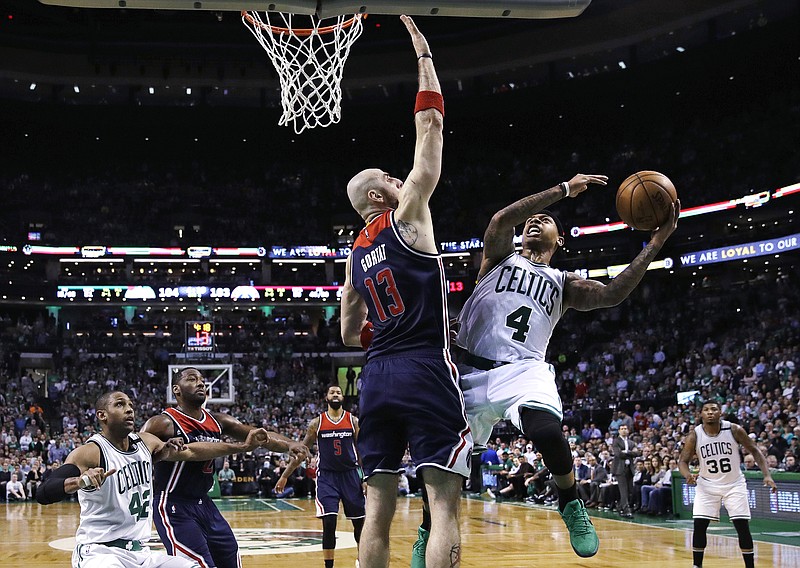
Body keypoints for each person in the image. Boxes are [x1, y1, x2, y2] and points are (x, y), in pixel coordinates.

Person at [444, 173, 680, 558]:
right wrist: (564, 190)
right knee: (447, 469)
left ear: (561, 240)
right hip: (466, 372)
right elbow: (501, 221)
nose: (534, 221)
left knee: (547, 431)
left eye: (546, 220)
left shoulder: (563, 283)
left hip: (523, 370)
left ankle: (570, 501)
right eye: (532, 220)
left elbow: (613, 294)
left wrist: (656, 242)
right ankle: (427, 528)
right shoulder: (498, 257)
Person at [340, 15, 473, 568]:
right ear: (379, 194)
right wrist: (423, 53)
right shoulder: (409, 216)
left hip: (376, 375)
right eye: (393, 179)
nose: (403, 178)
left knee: (377, 508)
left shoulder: (352, 258)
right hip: (423, 364)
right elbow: (431, 130)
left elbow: (350, 333)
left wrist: (383, 329)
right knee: (443, 505)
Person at [36, 391, 269, 568]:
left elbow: (193, 451)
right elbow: (44, 492)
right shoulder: (91, 452)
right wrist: (80, 482)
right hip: (100, 553)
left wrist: (240, 447)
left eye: (130, 405)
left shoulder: (145, 442)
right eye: (120, 405)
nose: (129, 410)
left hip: (141, 553)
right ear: (102, 415)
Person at [141, 367, 309, 568]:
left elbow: (259, 436)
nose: (201, 383)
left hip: (204, 503)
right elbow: (137, 455)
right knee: (198, 564)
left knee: (230, 557)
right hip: (172, 503)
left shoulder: (218, 421)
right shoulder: (162, 423)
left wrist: (289, 444)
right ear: (176, 389)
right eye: (192, 379)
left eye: (203, 380)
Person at [679, 400, 778, 568]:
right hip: (707, 485)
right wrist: (687, 474)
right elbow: (683, 461)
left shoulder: (733, 429)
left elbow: (755, 450)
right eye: (706, 410)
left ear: (720, 413)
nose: (710, 412)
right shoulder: (695, 435)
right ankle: (697, 565)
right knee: (699, 524)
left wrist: (767, 475)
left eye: (714, 409)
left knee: (742, 525)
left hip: (734, 484)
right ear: (701, 414)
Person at [278, 384, 365, 568]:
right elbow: (301, 452)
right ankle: (329, 566)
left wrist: (365, 477)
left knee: (360, 524)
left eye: (338, 392)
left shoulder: (352, 421)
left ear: (343, 398)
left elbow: (362, 450)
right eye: (332, 392)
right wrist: (285, 475)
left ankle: (363, 560)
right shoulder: (316, 423)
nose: (335, 395)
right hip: (327, 477)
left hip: (351, 475)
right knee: (329, 521)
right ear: (326, 397)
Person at [612, 424, 639, 517]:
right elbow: (618, 454)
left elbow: (637, 453)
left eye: (625, 429)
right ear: (619, 431)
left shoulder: (631, 442)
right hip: (620, 469)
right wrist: (630, 453)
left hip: (629, 468)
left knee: (629, 490)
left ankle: (620, 507)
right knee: (623, 490)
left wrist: (626, 452)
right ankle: (627, 510)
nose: (624, 430)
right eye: (622, 429)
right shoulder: (616, 441)